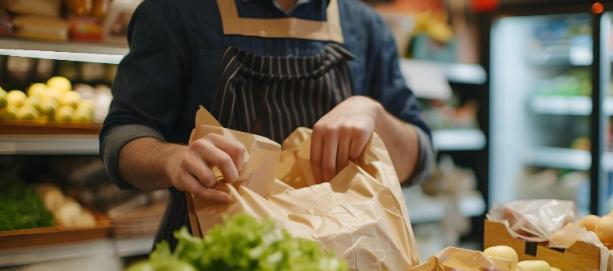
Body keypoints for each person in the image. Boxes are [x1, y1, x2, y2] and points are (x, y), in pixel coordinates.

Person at [100, 0, 434, 247]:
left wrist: (372, 113)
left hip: (344, 260)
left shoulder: (366, 28)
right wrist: (172, 159)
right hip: (212, 261)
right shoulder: (174, 13)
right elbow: (123, 136)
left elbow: (418, 161)